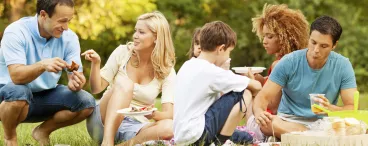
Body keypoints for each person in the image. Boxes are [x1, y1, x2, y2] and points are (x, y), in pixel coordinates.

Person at [0, 0, 95, 145]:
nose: (66, 27)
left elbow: (75, 74)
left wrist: (76, 82)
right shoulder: (16, 32)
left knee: (86, 102)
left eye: (69, 21)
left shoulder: (69, 38)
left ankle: (42, 131)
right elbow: (16, 76)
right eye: (62, 21)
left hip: (45, 95)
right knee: (18, 91)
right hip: (8, 96)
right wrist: (42, 65)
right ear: (43, 15)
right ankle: (10, 137)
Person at [253, 16, 357, 139]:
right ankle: (316, 137)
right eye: (313, 43)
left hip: (324, 124)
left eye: (324, 46)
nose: (316, 50)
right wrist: (259, 112)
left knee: (361, 127)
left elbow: (351, 107)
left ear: (334, 45)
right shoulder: (289, 62)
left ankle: (307, 137)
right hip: (288, 122)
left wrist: (331, 108)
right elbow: (263, 97)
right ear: (309, 38)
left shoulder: (343, 65)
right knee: (268, 124)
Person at [83, 11, 176, 146]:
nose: (135, 36)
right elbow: (96, 88)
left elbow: (169, 113)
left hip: (134, 126)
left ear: (157, 37)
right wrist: (96, 64)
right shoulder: (122, 52)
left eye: (141, 32)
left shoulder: (167, 70)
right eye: (135, 31)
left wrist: (154, 115)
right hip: (102, 121)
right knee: (126, 84)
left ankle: (125, 145)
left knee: (170, 127)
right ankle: (107, 142)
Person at [173, 21, 262, 146]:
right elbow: (257, 86)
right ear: (221, 49)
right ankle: (220, 142)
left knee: (246, 138)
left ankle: (222, 138)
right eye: (228, 52)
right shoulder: (211, 71)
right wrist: (251, 82)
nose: (228, 56)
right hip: (197, 135)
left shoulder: (188, 65)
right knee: (245, 92)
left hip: (182, 136)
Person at [251, 4, 309, 114]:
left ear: (285, 37)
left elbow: (273, 107)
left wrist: (254, 89)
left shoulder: (279, 64)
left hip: (270, 121)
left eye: (270, 36)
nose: (264, 41)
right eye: (264, 36)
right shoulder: (300, 60)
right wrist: (261, 80)